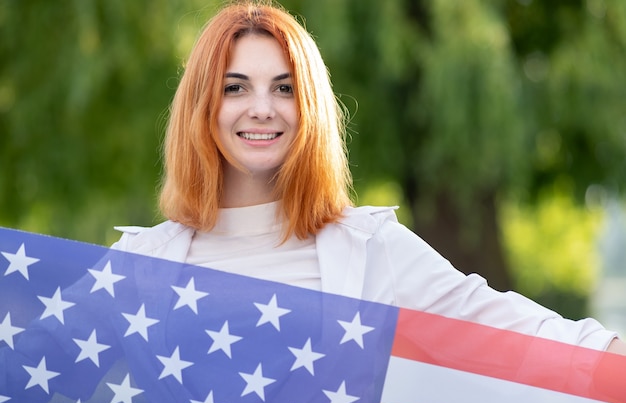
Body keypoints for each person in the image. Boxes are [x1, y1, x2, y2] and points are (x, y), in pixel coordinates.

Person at [112, 0, 626, 357]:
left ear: (309, 106)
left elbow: (506, 328)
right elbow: (40, 360)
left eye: (285, 88)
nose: (263, 109)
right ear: (203, 106)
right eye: (236, 88)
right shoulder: (141, 263)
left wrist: (611, 352)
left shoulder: (368, 248)